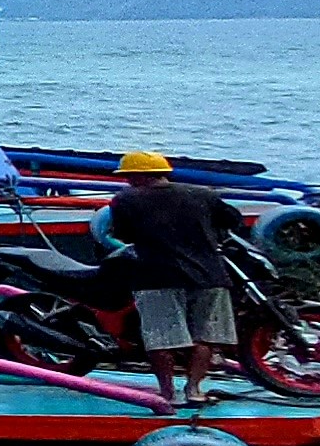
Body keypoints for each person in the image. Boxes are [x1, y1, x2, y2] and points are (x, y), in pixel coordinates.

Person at [105, 149, 246, 405]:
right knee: (205, 336)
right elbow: (233, 220)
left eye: (128, 176)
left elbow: (123, 234)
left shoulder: (126, 199)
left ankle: (168, 393)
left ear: (137, 176)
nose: (127, 181)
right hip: (209, 275)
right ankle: (194, 390)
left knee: (161, 339)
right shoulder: (203, 194)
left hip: (156, 276)